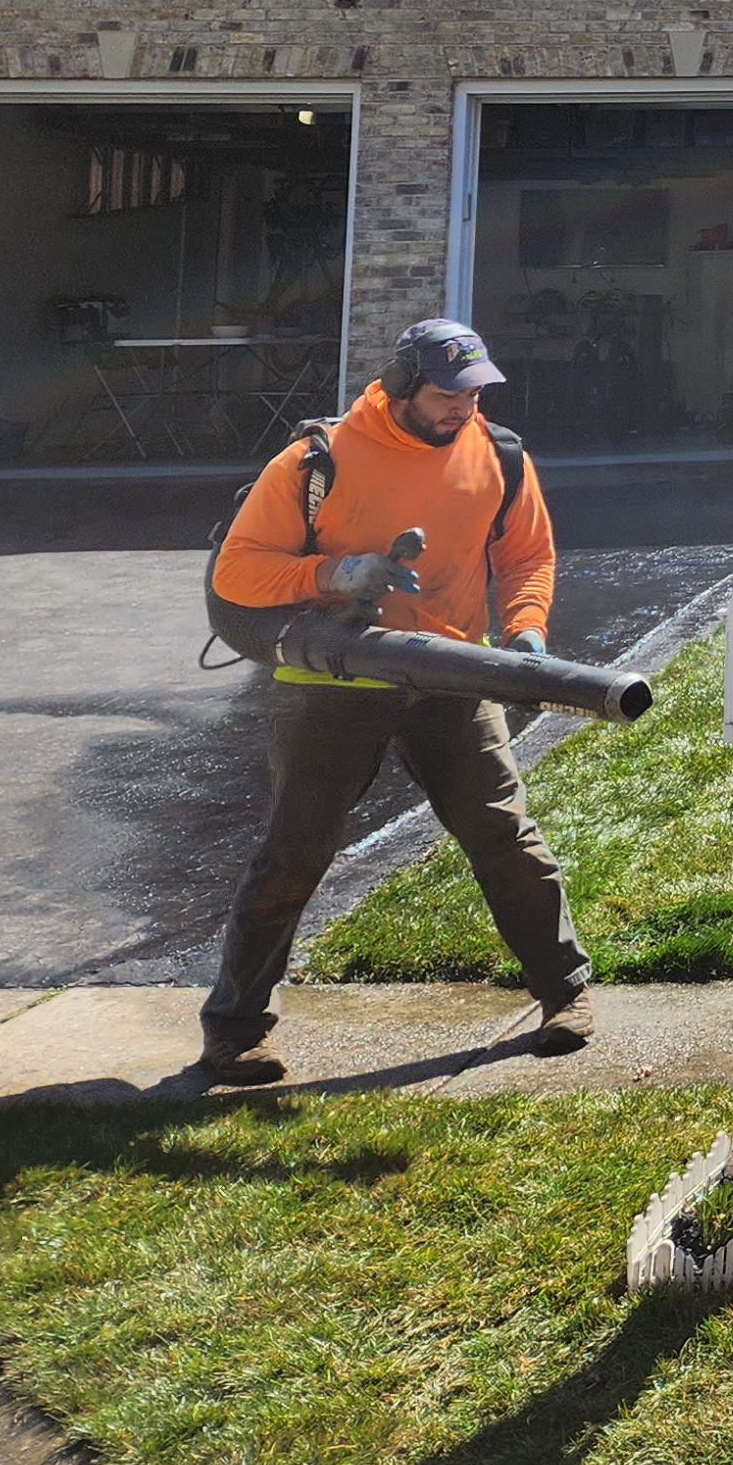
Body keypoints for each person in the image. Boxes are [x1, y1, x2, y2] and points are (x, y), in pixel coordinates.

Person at [194, 319, 597, 1086]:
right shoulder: (318, 460)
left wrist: (527, 630)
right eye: (448, 394)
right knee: (295, 853)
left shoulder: (498, 454)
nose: (463, 407)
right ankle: (234, 1030)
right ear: (404, 383)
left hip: (452, 673)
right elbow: (238, 573)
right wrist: (334, 574)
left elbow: (526, 554)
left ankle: (565, 994)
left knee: (503, 834)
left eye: (474, 393)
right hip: (333, 682)